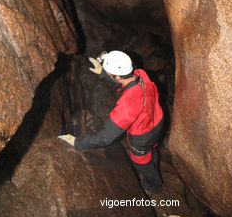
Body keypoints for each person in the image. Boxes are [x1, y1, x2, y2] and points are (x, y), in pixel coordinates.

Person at [58, 50, 164, 193]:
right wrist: (102, 72)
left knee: (143, 163)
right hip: (157, 120)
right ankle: (153, 157)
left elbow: (105, 138)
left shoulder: (128, 104)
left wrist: (78, 142)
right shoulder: (141, 75)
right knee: (151, 149)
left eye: (109, 73)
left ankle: (155, 185)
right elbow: (122, 77)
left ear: (117, 76)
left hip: (142, 135)